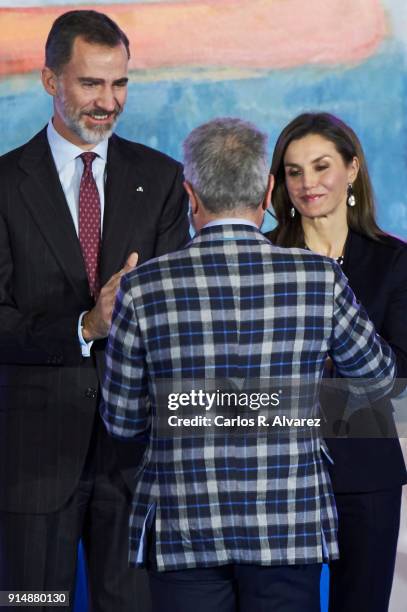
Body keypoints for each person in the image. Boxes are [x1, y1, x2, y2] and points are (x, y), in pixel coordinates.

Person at [101, 117, 396, 612]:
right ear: (268, 190)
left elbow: (122, 419)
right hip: (288, 524)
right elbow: (377, 376)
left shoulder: (142, 287)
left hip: (183, 525)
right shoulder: (320, 279)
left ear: (189, 195)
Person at [0, 9, 188, 611]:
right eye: (91, 83)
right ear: (50, 80)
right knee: (32, 604)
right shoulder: (4, 185)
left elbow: (175, 319)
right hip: (32, 462)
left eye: (120, 83)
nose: (109, 101)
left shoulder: (162, 179)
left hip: (134, 462)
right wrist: (86, 326)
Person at [266, 111, 407, 612]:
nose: (307, 183)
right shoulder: (264, 257)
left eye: (321, 166)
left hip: (366, 473)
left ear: (351, 169)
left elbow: (397, 375)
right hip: (277, 476)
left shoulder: (393, 259)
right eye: (293, 171)